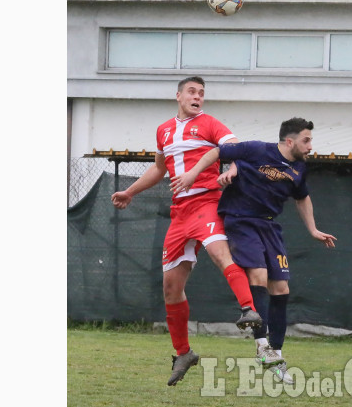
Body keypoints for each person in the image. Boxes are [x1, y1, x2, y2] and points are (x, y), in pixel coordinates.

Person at [111, 76, 262, 387]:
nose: (198, 97)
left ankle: (249, 310)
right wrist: (129, 192)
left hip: (208, 203)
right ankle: (183, 353)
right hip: (180, 214)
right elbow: (159, 168)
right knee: (170, 287)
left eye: (202, 93)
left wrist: (233, 168)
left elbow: (234, 147)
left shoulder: (209, 124)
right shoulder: (163, 130)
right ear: (178, 96)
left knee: (221, 254)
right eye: (192, 92)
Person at [170, 117, 337, 384]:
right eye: (306, 140)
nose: (310, 146)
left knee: (281, 289)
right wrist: (193, 174)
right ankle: (261, 346)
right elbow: (218, 151)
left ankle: (276, 355)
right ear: (290, 141)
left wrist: (314, 230)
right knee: (257, 275)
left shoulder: (298, 170)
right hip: (240, 220)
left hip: (270, 227)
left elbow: (302, 197)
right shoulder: (257, 149)